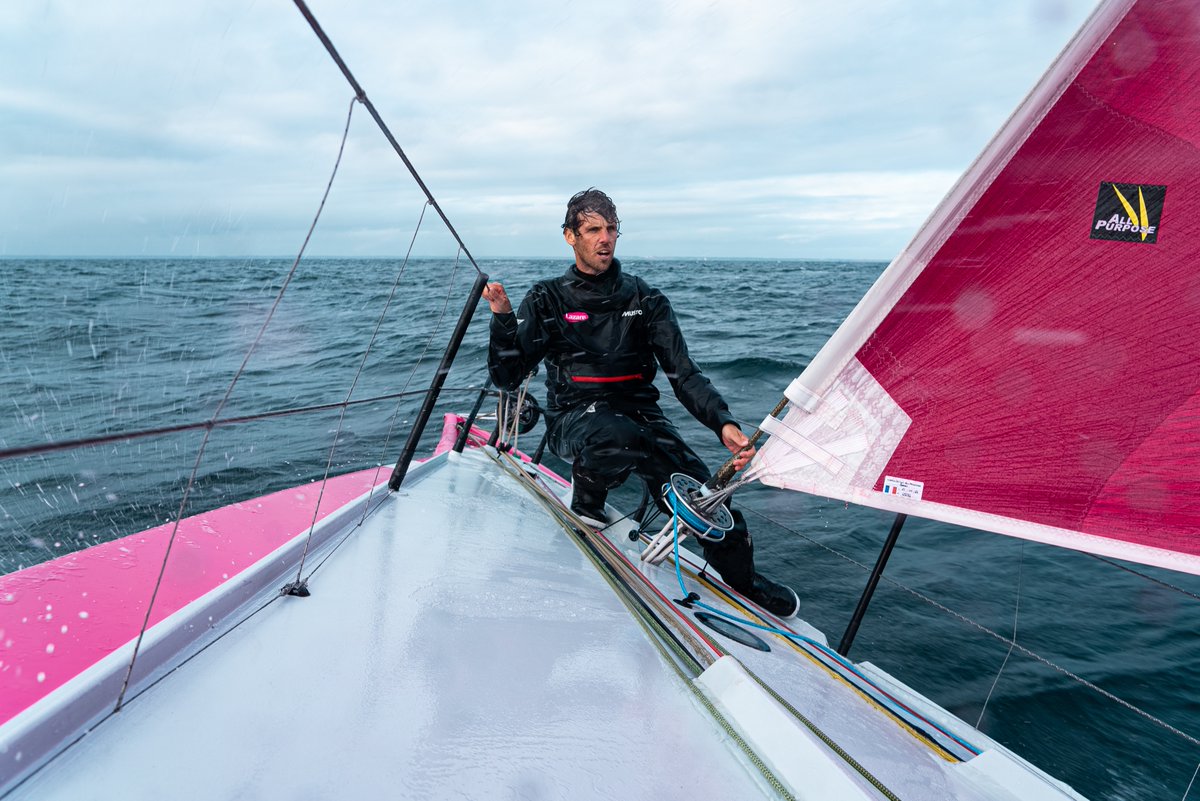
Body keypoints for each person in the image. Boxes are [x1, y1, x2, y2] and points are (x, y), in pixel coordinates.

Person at [482, 188, 798, 618]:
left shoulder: (644, 299)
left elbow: (684, 373)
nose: (604, 238)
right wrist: (502, 319)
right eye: (593, 229)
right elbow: (508, 376)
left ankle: (745, 582)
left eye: (611, 229)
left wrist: (721, 422)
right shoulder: (546, 298)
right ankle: (587, 501)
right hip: (574, 419)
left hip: (642, 419)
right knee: (617, 434)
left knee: (711, 502)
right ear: (569, 236)